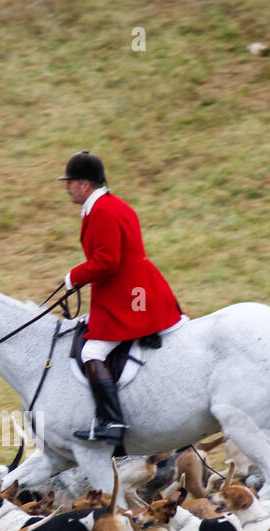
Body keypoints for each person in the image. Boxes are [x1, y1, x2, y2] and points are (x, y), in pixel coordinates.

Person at [59, 151, 182, 443]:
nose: (66, 188)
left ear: (85, 184)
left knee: (92, 352)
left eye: (70, 182)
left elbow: (107, 261)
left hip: (126, 296)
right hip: (139, 287)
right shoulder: (113, 205)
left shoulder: (102, 210)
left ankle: (112, 422)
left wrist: (73, 277)